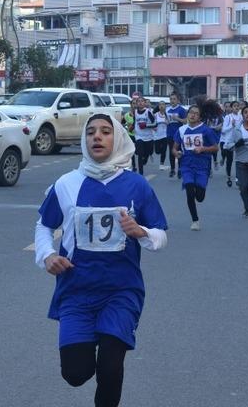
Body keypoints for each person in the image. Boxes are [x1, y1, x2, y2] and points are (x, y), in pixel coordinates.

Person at [34, 114, 168, 407]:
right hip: (76, 290)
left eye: (105, 132)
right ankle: (92, 341)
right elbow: (44, 224)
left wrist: (141, 231)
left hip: (121, 290)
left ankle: (109, 342)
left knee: (110, 366)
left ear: (117, 139)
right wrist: (47, 255)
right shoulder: (67, 183)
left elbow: (160, 236)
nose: (97, 137)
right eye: (91, 132)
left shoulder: (137, 186)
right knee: (75, 373)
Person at [173, 105, 219, 230]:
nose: (192, 115)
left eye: (196, 113)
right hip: (186, 165)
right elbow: (174, 148)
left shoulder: (206, 130)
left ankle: (200, 191)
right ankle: (195, 220)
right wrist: (176, 153)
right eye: (190, 112)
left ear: (199, 117)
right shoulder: (181, 130)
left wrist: (203, 149)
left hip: (202, 166)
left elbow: (216, 147)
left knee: (199, 197)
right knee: (189, 190)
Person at [132, 97, 157, 175]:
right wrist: (131, 128)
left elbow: (155, 124)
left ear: (144, 103)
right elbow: (134, 122)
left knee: (147, 153)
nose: (140, 103)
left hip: (148, 137)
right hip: (139, 136)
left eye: (142, 101)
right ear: (136, 103)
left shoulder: (148, 112)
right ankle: (141, 173)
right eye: (138, 101)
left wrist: (145, 125)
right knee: (140, 154)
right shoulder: (135, 112)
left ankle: (146, 158)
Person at [165, 92, 187, 179]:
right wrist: (166, 122)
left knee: (179, 152)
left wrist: (177, 119)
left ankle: (180, 169)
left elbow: (185, 121)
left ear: (178, 100)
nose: (172, 101)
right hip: (170, 133)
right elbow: (166, 120)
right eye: (171, 99)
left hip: (179, 134)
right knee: (171, 152)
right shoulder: (167, 109)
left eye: (174, 99)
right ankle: (172, 169)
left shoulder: (181, 110)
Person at [220, 101, 240, 186]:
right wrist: (231, 125)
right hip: (229, 142)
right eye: (234, 106)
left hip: (239, 141)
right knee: (230, 160)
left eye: (237, 106)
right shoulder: (228, 117)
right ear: (231, 108)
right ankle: (229, 177)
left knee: (239, 161)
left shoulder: (241, 117)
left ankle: (238, 179)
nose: (236, 107)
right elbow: (223, 130)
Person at [153, 102, 169, 170]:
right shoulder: (155, 115)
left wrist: (167, 122)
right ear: (158, 106)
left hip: (165, 135)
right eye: (160, 105)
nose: (162, 106)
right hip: (157, 136)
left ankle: (161, 165)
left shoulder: (167, 114)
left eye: (163, 105)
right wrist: (154, 127)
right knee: (157, 151)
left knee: (164, 151)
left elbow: (169, 123)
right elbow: (152, 124)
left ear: (165, 106)